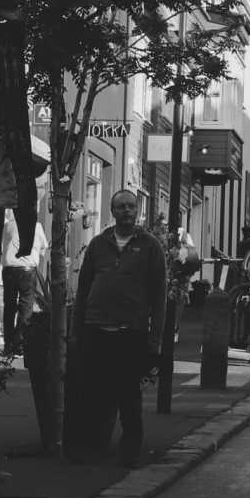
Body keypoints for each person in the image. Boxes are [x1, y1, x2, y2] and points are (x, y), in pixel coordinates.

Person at [73, 189, 166, 467]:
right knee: (95, 392)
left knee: (128, 394)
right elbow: (83, 289)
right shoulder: (98, 245)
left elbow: (159, 297)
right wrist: (77, 331)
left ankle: (130, 449)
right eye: (121, 207)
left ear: (137, 211)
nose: (127, 211)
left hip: (131, 330)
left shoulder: (150, 246)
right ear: (112, 212)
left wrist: (155, 340)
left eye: (131, 206)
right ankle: (95, 446)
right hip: (97, 328)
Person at [1, 213, 48, 353]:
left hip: (9, 268)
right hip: (27, 269)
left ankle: (8, 343)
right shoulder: (36, 226)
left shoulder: (8, 226)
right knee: (26, 306)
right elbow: (43, 248)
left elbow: (3, 244)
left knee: (9, 306)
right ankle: (19, 342)